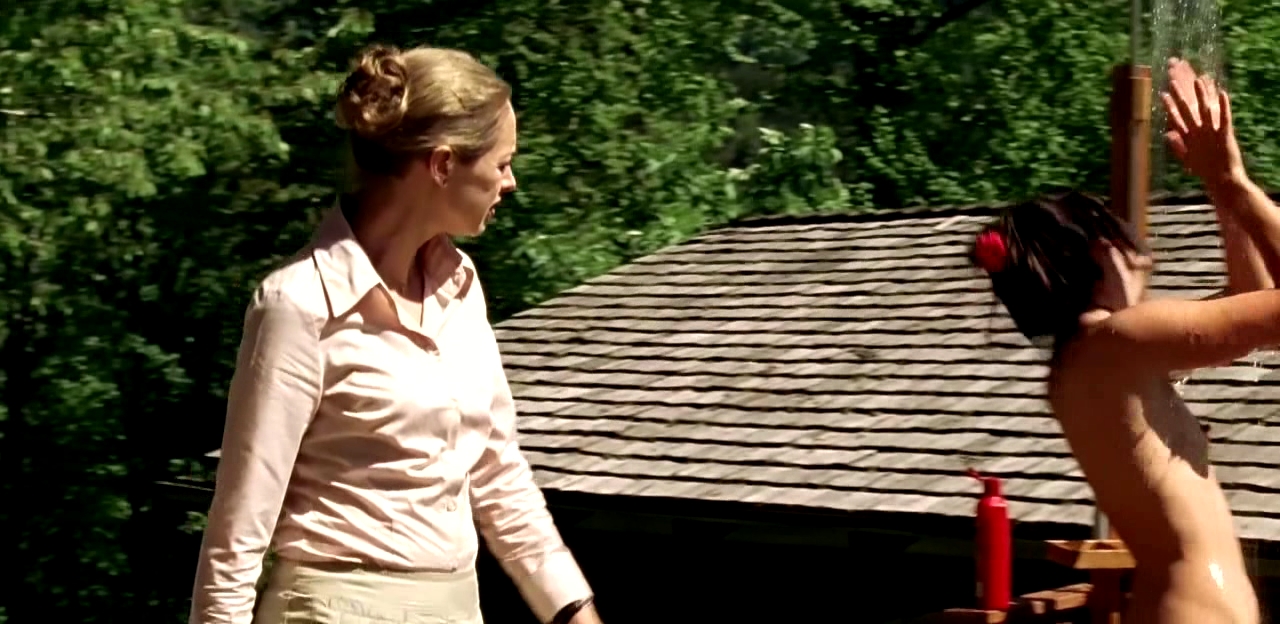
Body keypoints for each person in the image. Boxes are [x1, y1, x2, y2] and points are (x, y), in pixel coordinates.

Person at [189, 44, 602, 624]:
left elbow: (496, 473)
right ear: (443, 165)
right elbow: (239, 530)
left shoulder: (461, 289)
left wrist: (574, 610)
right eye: (502, 162)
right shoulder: (299, 306)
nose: (510, 181)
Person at [969, 57, 1280, 624]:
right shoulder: (1116, 342)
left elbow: (1251, 300)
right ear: (1101, 252)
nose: (1144, 255)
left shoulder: (1085, 362)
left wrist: (1221, 187)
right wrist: (1233, 182)